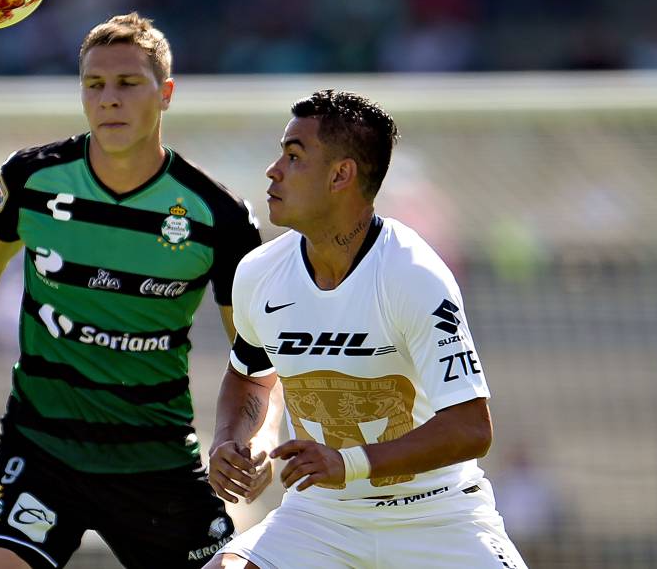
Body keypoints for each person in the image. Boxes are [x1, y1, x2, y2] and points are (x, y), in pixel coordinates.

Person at [0, 12, 264, 569]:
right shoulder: (32, 178)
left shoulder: (217, 216)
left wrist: (247, 439)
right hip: (42, 450)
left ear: (166, 94)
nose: (109, 99)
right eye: (94, 85)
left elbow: (254, 358)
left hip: (155, 461)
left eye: (128, 84)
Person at [205, 90, 528, 568]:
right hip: (319, 518)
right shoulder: (258, 272)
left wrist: (347, 463)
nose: (273, 170)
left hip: (436, 518)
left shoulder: (412, 275)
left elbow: (472, 428)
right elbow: (250, 374)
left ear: (341, 175)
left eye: (294, 156)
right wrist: (232, 441)